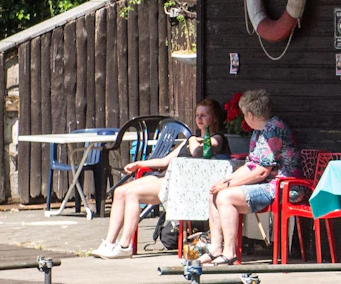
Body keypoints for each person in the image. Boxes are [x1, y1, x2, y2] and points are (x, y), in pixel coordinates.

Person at [93, 99, 228, 258]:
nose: (199, 119)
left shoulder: (216, 139)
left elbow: (198, 153)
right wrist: (139, 163)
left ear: (214, 118)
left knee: (132, 194)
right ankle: (109, 243)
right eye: (197, 115)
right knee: (121, 191)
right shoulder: (189, 140)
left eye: (204, 115)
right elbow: (165, 161)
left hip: (184, 184)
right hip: (168, 176)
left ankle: (124, 245)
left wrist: (192, 139)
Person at [203, 89, 301, 265]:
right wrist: (225, 182)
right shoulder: (260, 130)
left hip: (283, 186)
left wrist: (227, 187)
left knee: (225, 196)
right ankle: (215, 248)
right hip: (268, 183)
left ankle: (229, 252)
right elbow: (251, 165)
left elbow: (261, 171)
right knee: (214, 192)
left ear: (250, 114)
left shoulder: (274, 130)